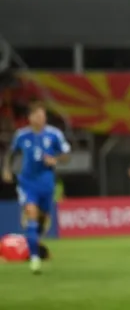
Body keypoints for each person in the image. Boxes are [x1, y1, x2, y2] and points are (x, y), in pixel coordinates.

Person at [2, 102, 70, 273]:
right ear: (30, 118)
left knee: (42, 220)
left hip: (47, 184)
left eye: (43, 115)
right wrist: (7, 169)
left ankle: (34, 241)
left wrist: (55, 160)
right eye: (37, 115)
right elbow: (11, 153)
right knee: (31, 214)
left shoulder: (54, 134)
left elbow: (66, 155)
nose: (40, 118)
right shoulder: (22, 135)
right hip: (27, 183)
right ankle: (34, 258)